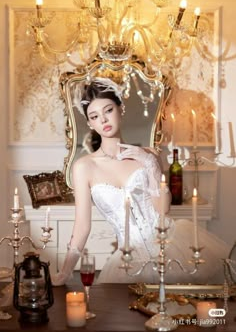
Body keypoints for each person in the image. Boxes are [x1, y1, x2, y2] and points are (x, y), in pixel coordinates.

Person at [52, 77, 229, 286]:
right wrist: (64, 273)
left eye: (108, 110)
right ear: (90, 123)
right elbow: (82, 227)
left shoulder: (147, 155)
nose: (103, 120)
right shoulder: (84, 167)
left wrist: (150, 162)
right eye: (95, 116)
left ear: (121, 109)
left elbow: (163, 209)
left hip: (172, 247)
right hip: (128, 259)